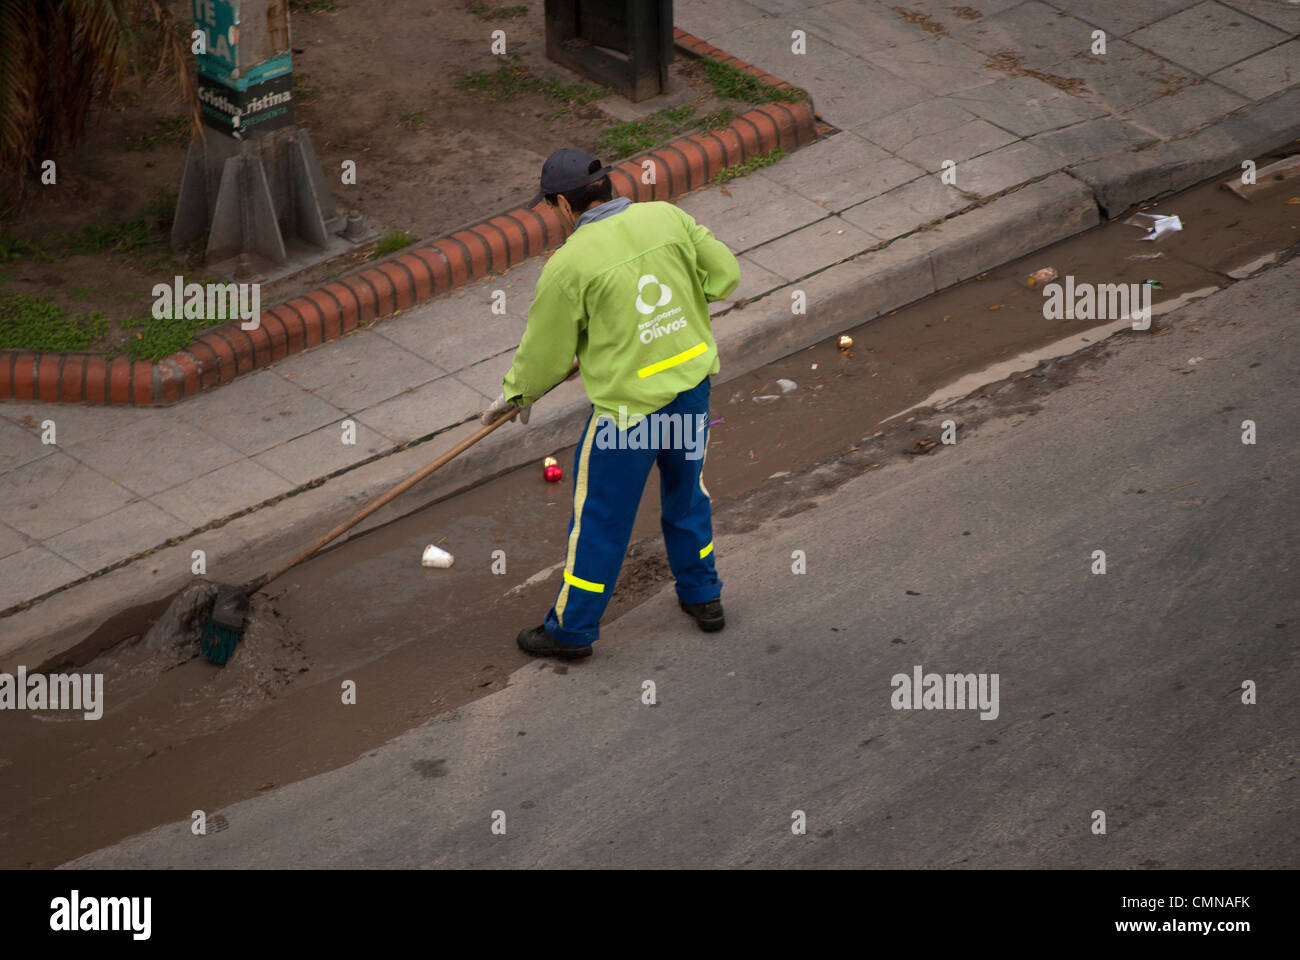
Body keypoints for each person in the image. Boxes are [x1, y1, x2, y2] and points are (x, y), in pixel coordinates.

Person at [482, 147, 740, 660]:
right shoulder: (667, 216)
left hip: (628, 417)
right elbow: (724, 276)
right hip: (690, 397)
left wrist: (516, 395)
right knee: (688, 498)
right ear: (606, 186)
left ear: (561, 203)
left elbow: (547, 351)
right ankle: (703, 597)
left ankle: (572, 632)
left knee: (601, 520)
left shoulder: (570, 264)